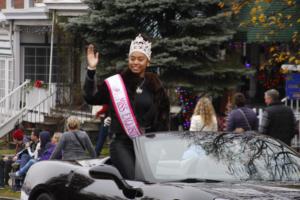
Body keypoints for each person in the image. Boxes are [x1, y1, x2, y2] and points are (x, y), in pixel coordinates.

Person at [83, 34, 170, 179]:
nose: (135, 62)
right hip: (122, 143)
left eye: (140, 59)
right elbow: (91, 97)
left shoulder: (155, 85)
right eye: (132, 58)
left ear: (148, 62)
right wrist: (91, 70)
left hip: (148, 144)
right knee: (131, 180)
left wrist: (160, 145)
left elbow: (163, 117)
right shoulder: (117, 83)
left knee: (147, 183)